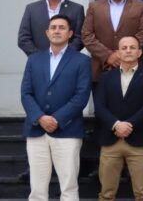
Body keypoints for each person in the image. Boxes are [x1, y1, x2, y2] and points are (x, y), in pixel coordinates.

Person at [21, 15, 91, 201]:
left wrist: (57, 119)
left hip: (67, 130)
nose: (57, 30)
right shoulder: (34, 60)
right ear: (47, 33)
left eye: (62, 27)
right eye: (53, 27)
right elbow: (26, 93)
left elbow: (81, 96)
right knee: (37, 189)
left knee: (68, 186)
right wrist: (40, 117)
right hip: (36, 130)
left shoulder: (82, 61)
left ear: (70, 33)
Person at [93, 35, 143, 201]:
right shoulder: (106, 78)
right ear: (118, 53)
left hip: (138, 141)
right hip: (110, 140)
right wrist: (115, 125)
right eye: (124, 48)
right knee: (106, 194)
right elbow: (99, 106)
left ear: (140, 52)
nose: (128, 50)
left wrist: (128, 125)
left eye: (132, 47)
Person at [82, 0, 143, 82]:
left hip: (131, 68)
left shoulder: (142, 7)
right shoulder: (94, 7)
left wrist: (122, 54)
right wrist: (107, 56)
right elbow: (87, 35)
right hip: (101, 68)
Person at [19, 0, 85, 55]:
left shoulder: (77, 9)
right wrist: (39, 58)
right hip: (38, 64)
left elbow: (80, 38)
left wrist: (64, 55)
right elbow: (23, 39)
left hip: (67, 63)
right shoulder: (31, 9)